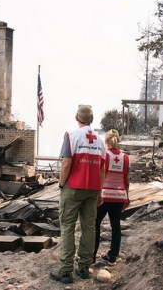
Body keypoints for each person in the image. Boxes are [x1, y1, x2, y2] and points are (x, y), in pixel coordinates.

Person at [49, 104, 106, 284]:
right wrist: (100, 191)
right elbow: (102, 168)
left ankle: (65, 271)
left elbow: (66, 163)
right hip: (93, 189)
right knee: (89, 227)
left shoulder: (71, 136)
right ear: (92, 119)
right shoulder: (100, 139)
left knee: (67, 227)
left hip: (73, 187)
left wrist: (61, 183)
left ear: (76, 117)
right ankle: (83, 268)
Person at [93, 129, 129, 266]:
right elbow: (126, 179)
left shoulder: (104, 155)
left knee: (95, 224)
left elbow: (99, 175)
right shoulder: (125, 157)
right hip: (119, 196)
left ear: (106, 141)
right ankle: (112, 256)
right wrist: (127, 197)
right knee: (116, 225)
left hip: (105, 195)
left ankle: (91, 256)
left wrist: (97, 194)